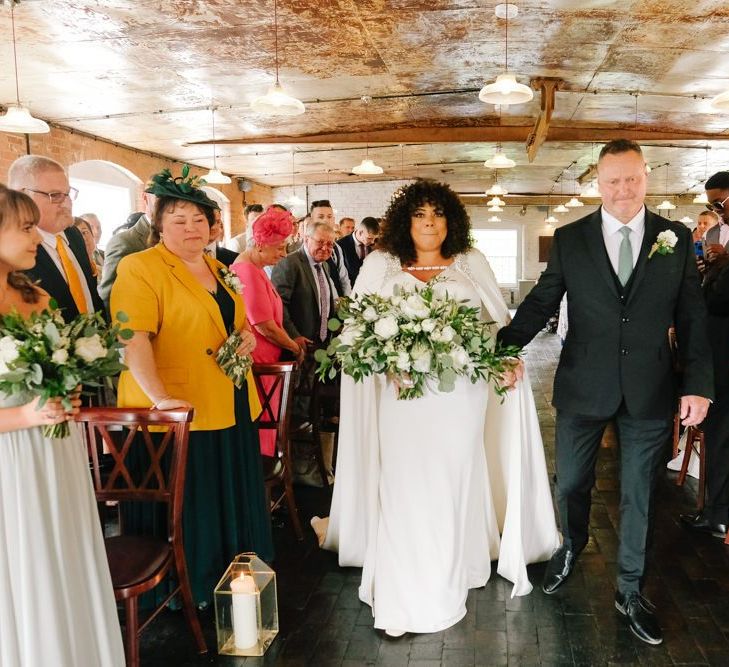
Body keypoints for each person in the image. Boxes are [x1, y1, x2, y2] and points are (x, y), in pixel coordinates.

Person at [313, 179, 559, 636]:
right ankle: (404, 584)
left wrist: (506, 359)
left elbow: (496, 326)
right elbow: (355, 331)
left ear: (452, 221)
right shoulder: (382, 264)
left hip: (459, 396)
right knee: (403, 481)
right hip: (401, 397)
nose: (429, 223)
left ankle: (455, 566)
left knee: (453, 478)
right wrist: (383, 362)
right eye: (420, 215)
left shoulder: (470, 262)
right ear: (406, 221)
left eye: (438, 214)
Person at [497, 139, 713, 646]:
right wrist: (501, 348)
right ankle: (571, 544)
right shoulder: (571, 238)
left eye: (632, 178)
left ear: (647, 178)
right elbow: (542, 300)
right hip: (582, 384)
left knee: (640, 495)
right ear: (597, 182)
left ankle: (631, 589)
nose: (623, 189)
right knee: (571, 482)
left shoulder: (675, 238)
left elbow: (693, 317)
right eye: (612, 180)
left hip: (651, 388)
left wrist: (699, 386)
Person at [111, 168, 273, 606]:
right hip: (174, 408)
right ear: (159, 224)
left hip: (228, 396)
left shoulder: (220, 268)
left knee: (226, 493)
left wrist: (243, 336)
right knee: (193, 501)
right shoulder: (139, 268)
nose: (190, 228)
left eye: (199, 219)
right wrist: (161, 399)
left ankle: (232, 578)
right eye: (178, 219)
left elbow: (236, 321)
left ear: (213, 225)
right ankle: (187, 587)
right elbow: (133, 337)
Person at [0, 185, 124, 666]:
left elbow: (60, 367)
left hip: (57, 447)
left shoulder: (37, 295)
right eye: (26, 226)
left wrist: (68, 389)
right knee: (26, 566)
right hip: (11, 458)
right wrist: (28, 415)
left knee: (63, 554)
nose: (39, 235)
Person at [231, 206, 305, 455]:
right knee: (261, 429)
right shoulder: (247, 273)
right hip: (259, 366)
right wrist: (293, 347)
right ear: (260, 245)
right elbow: (264, 326)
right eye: (280, 248)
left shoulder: (256, 271)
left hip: (267, 365)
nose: (284, 254)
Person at [682, 171, 729, 539]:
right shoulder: (717, 237)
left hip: (723, 353)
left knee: (721, 433)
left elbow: (719, 298)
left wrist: (717, 268)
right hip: (718, 347)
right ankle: (714, 510)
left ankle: (717, 513)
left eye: (719, 202)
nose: (718, 211)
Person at [8, 155, 104, 318]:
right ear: (22, 197)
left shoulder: (74, 235)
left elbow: (91, 296)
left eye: (68, 194)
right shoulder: (13, 251)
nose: (67, 203)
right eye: (55, 195)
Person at [98, 185, 156, 308]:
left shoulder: (175, 237)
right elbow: (110, 293)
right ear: (146, 198)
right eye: (161, 198)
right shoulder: (124, 241)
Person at [310, 199, 352, 297]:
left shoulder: (337, 247)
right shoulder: (311, 249)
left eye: (329, 217)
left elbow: (343, 277)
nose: (326, 220)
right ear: (312, 220)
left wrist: (347, 300)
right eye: (321, 217)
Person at [337, 215, 380, 285]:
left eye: (374, 238)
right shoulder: (341, 245)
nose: (372, 242)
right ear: (360, 232)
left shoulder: (374, 243)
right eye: (369, 238)